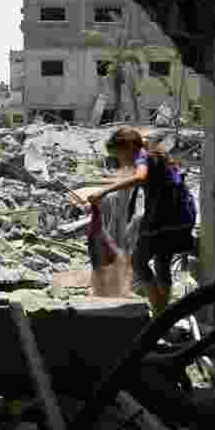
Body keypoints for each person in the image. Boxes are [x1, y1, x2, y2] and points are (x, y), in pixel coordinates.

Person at [89, 126, 197, 318]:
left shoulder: (143, 157)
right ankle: (163, 318)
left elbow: (140, 177)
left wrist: (103, 191)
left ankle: (159, 316)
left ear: (129, 147)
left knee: (138, 263)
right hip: (181, 216)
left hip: (163, 220)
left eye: (119, 156)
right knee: (162, 264)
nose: (120, 161)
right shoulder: (157, 155)